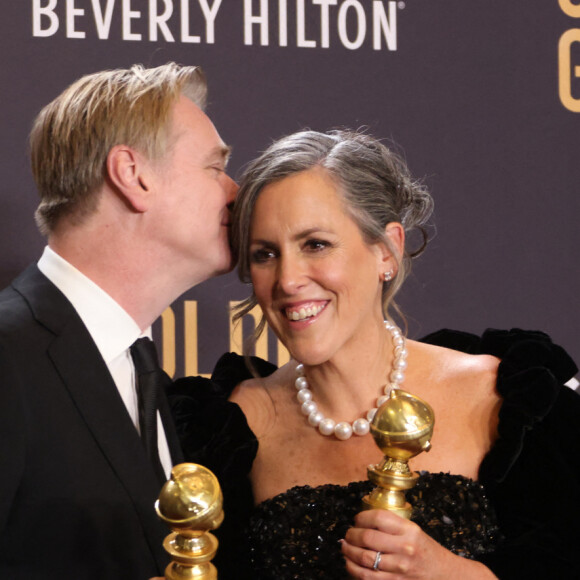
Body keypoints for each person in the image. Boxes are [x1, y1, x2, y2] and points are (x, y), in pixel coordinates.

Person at [169, 129, 580, 579]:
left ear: (387, 251)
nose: (287, 279)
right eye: (265, 254)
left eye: (316, 245)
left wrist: (453, 573)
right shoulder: (225, 432)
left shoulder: (508, 398)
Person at [0, 63, 237, 579]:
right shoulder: (8, 356)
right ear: (134, 175)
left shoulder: (138, 365)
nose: (235, 192)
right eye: (215, 168)